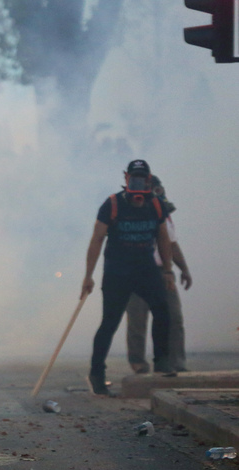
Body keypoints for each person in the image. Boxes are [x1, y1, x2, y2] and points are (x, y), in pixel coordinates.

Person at [82, 159, 176, 397]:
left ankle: (162, 360)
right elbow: (96, 240)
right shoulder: (112, 204)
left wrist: (167, 270)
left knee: (163, 310)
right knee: (110, 323)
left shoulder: (156, 205)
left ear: (148, 179)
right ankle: (97, 373)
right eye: (133, 178)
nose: (137, 182)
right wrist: (88, 276)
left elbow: (164, 239)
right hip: (117, 272)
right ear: (126, 178)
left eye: (141, 178)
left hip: (146, 269)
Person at [126, 177, 192, 373]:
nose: (158, 192)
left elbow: (172, 244)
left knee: (173, 317)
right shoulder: (132, 212)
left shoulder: (163, 213)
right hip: (136, 271)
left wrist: (184, 269)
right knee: (138, 319)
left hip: (163, 272)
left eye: (159, 188)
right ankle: (138, 363)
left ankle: (175, 362)